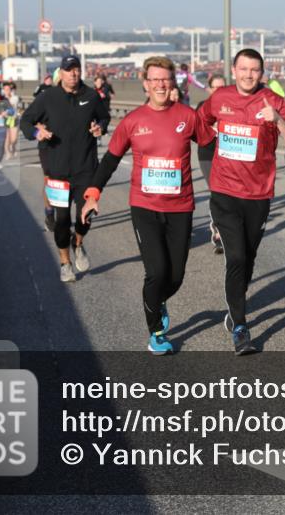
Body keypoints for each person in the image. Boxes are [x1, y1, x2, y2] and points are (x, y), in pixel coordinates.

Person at [81, 57, 207, 355]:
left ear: (173, 82)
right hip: (144, 206)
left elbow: (211, 146)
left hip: (181, 206)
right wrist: (93, 193)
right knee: (157, 271)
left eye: (166, 79)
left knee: (175, 276)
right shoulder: (132, 121)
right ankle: (156, 332)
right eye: (155, 80)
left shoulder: (188, 116)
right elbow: (110, 160)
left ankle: (158, 300)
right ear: (146, 83)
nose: (161, 84)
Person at [196, 49, 285, 355]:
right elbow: (200, 126)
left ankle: (234, 307)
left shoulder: (273, 101)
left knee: (250, 256)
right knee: (237, 257)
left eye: (254, 70)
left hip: (258, 194)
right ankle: (241, 327)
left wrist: (278, 120)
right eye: (243, 69)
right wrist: (209, 135)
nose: (248, 75)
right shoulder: (219, 98)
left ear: (261, 72)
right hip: (225, 191)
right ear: (234, 69)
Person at [20, 54, 109, 283]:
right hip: (58, 170)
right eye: (69, 70)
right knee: (61, 220)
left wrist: (100, 127)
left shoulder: (91, 96)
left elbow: (104, 117)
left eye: (77, 69)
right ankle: (65, 263)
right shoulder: (48, 97)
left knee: (86, 215)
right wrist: (37, 133)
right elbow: (26, 121)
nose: (74, 73)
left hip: (86, 168)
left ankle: (77, 242)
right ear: (61, 72)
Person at [196, 73, 227, 253]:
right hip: (208, 154)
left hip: (227, 155)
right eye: (215, 87)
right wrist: (210, 129)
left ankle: (221, 225)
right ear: (209, 89)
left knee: (226, 193)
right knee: (216, 191)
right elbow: (196, 130)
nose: (219, 90)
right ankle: (217, 230)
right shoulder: (202, 107)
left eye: (222, 87)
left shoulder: (233, 106)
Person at [3, 82, 23, 160]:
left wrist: (18, 114)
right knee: (6, 138)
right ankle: (8, 152)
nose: (7, 91)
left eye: (8, 89)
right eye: (5, 89)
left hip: (14, 119)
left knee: (14, 139)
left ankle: (13, 146)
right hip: (4, 120)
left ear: (11, 90)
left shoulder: (15, 98)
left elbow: (20, 108)